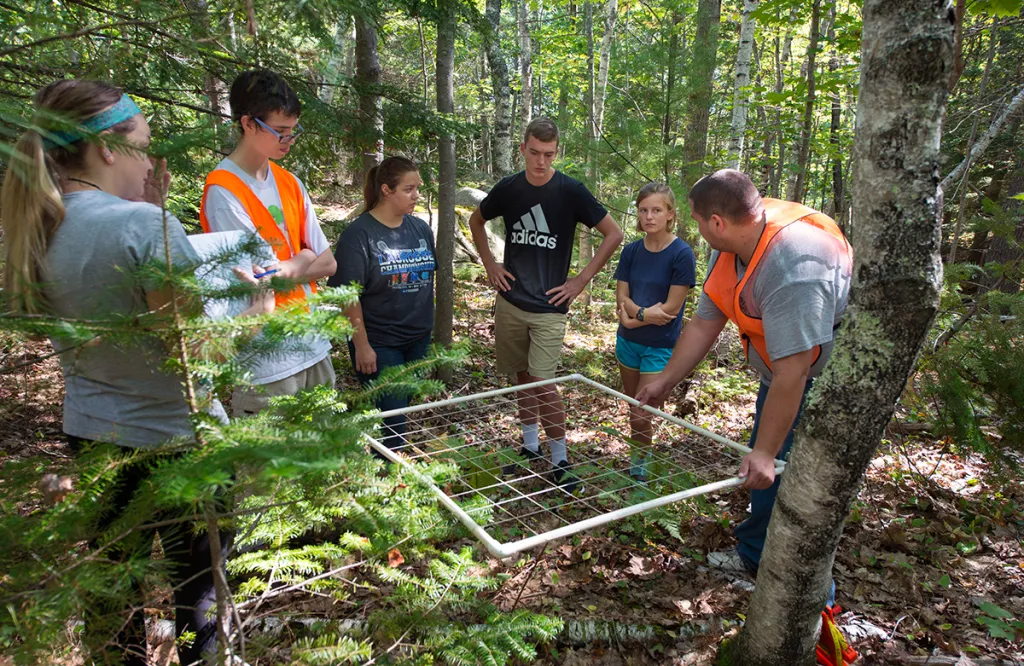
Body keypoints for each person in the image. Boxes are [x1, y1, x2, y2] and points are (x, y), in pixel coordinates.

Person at [0, 80, 256, 665]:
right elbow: (197, 355)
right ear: (108, 149)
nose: (149, 156)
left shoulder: (41, 223)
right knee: (201, 600)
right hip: (177, 443)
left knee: (114, 600)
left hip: (92, 435)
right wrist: (255, 307)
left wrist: (156, 214)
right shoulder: (143, 229)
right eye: (142, 143)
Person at [636, 169, 852, 599]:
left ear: (717, 222)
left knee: (795, 482)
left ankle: (811, 600)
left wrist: (767, 452)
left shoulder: (793, 270)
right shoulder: (733, 243)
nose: (695, 229)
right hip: (783, 371)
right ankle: (754, 554)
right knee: (765, 470)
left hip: (825, 382)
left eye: (697, 220)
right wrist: (664, 381)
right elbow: (703, 323)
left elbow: (796, 372)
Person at [468, 117, 623, 492]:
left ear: (558, 152)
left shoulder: (570, 191)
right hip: (512, 299)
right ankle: (530, 446)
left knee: (543, 381)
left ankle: (560, 459)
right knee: (521, 374)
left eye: (548, 154)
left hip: (551, 305)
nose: (540, 161)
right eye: (534, 153)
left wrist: (580, 281)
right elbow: (476, 220)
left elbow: (613, 233)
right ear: (523, 149)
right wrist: (491, 265)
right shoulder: (509, 188)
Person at [200, 68, 338, 415]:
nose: (288, 139)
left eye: (293, 131)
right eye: (279, 131)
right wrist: (304, 257)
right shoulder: (224, 191)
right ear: (248, 123)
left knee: (322, 462)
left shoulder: (290, 182)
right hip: (267, 362)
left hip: (314, 345)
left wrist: (292, 263)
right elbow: (259, 282)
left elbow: (329, 262)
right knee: (268, 469)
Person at [327, 156, 436, 451]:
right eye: (409, 189)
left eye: (417, 188)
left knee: (399, 409)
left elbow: (426, 280)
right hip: (379, 343)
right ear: (386, 190)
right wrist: (362, 345)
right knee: (392, 423)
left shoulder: (420, 228)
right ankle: (385, 481)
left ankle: (386, 472)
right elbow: (348, 296)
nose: (416, 196)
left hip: (417, 338)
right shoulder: (358, 235)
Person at [614, 183, 696, 482]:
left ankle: (640, 473)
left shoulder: (681, 254)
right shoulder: (631, 251)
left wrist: (635, 316)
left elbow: (671, 309)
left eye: (656, 210)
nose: (649, 216)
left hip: (660, 346)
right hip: (627, 342)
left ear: (670, 214)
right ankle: (638, 458)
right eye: (644, 210)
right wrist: (640, 316)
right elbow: (621, 297)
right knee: (632, 407)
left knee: (642, 412)